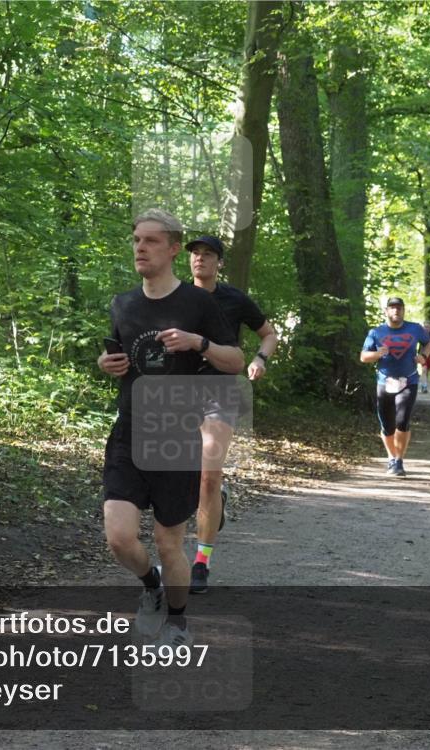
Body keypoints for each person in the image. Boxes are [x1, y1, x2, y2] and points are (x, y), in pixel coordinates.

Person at [97, 209, 244, 646]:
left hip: (177, 437)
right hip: (129, 432)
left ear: (173, 249)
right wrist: (106, 364)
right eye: (136, 240)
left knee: (167, 542)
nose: (140, 248)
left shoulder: (198, 303)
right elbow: (115, 356)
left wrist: (199, 342)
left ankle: (178, 622)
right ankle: (151, 587)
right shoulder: (123, 304)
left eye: (151, 241)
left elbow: (235, 360)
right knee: (120, 538)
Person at [186, 234, 279, 595]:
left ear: (219, 263)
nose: (200, 260)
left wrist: (259, 358)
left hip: (220, 388)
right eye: (195, 254)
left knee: (208, 473)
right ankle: (214, 501)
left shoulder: (234, 298)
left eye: (208, 255)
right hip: (178, 391)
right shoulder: (176, 296)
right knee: (182, 476)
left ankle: (200, 562)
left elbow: (268, 334)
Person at [360, 298, 430, 477]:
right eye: (392, 308)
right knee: (387, 425)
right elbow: (363, 357)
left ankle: (398, 460)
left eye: (399, 308)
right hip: (385, 382)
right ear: (386, 311)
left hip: (409, 380)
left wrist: (423, 355)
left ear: (404, 310)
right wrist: (377, 354)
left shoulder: (415, 328)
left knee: (402, 420)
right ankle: (391, 457)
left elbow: (429, 342)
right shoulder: (376, 332)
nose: (396, 311)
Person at [419, 322, 430, 393]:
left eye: (427, 327)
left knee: (427, 371)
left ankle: (424, 384)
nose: (426, 328)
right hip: (423, 355)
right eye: (425, 326)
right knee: (424, 370)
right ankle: (424, 387)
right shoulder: (421, 335)